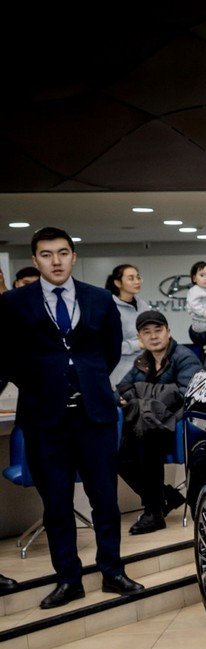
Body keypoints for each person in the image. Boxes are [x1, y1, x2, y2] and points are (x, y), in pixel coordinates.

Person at [0, 227, 142, 608]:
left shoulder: (99, 299)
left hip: (94, 416)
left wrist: (85, 378)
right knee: (57, 504)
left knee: (105, 500)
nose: (56, 261)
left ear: (74, 256)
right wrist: (45, 382)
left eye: (63, 253)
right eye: (47, 255)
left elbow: (110, 351)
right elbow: (8, 356)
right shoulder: (14, 303)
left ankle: (112, 571)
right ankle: (68, 580)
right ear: (35, 260)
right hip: (45, 420)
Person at [116, 310, 202, 534]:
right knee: (120, 459)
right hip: (147, 425)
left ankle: (153, 512)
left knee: (147, 438)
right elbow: (121, 390)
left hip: (177, 425)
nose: (153, 336)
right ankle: (166, 497)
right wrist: (140, 398)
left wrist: (140, 393)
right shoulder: (142, 361)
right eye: (147, 332)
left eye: (158, 330)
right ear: (140, 338)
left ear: (168, 332)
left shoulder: (184, 357)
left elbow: (186, 393)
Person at [104, 263, 144, 380]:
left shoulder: (142, 304)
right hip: (120, 372)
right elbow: (108, 346)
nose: (137, 281)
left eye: (138, 277)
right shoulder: (109, 307)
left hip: (144, 367)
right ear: (118, 283)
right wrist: (138, 344)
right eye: (131, 278)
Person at [185, 260, 206, 356]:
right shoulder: (194, 291)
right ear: (194, 278)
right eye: (202, 275)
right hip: (199, 320)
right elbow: (194, 306)